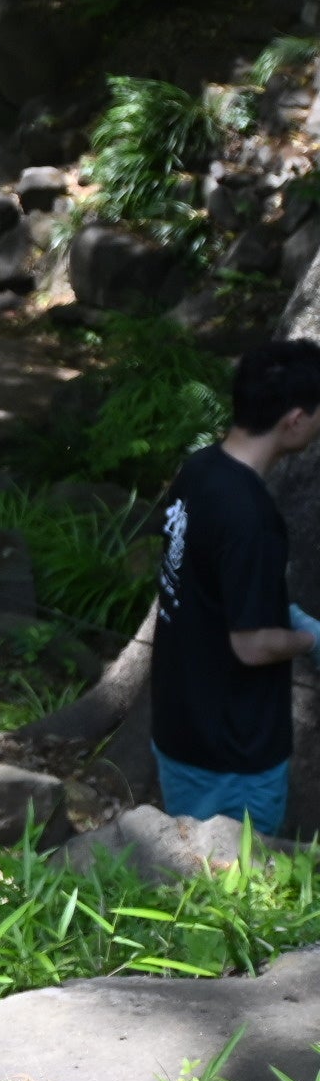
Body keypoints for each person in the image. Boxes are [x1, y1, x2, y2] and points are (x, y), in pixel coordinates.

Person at [150, 339, 320, 834]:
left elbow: (213, 587)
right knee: (230, 896)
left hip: (179, 725)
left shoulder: (199, 470)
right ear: (294, 420)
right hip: (233, 755)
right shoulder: (253, 519)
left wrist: (290, 614)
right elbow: (252, 645)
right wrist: (311, 641)